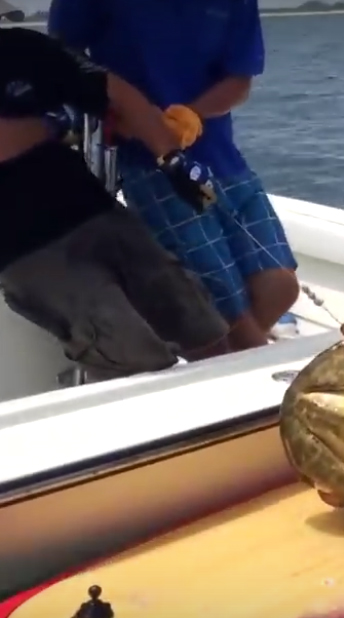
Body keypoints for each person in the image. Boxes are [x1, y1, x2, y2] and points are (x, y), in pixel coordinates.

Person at [48, 0, 302, 353]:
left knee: (281, 286)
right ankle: (236, 361)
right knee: (227, 307)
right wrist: (128, 116)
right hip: (150, 165)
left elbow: (239, 78)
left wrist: (191, 114)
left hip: (222, 157)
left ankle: (214, 358)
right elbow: (60, 58)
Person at [0, 25, 232, 381]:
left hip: (94, 211)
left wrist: (171, 160)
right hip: (27, 250)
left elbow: (116, 93)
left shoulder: (20, 48)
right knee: (134, 362)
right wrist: (45, 126)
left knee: (203, 330)